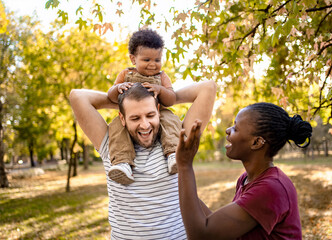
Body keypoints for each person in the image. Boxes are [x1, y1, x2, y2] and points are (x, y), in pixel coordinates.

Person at [69, 81, 216, 239]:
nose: (145, 125)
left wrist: (163, 98)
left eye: (150, 115)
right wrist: (124, 101)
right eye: (135, 117)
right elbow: (77, 96)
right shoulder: (111, 145)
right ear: (122, 119)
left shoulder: (177, 141)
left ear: (158, 111)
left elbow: (208, 88)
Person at [176, 102, 312, 240]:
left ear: (256, 142)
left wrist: (185, 166)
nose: (228, 130)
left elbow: (202, 235)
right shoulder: (246, 179)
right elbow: (217, 227)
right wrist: (178, 184)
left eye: (236, 128)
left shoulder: (271, 188)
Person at [107, 29, 181, 185]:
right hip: (131, 117)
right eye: (147, 60)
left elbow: (171, 100)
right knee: (116, 126)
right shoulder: (126, 74)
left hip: (156, 114)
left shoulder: (161, 76)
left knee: (171, 119)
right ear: (133, 59)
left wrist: (161, 90)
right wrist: (118, 89)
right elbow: (111, 96)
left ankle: (173, 154)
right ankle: (122, 162)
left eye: (157, 59)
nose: (153, 64)